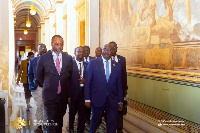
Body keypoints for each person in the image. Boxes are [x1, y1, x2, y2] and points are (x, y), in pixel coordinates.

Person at [36, 35, 73, 133]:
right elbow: (38, 76)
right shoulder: (44, 58)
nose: (59, 46)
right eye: (57, 44)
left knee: (59, 120)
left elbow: (69, 76)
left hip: (63, 96)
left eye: (61, 44)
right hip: (49, 95)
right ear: (52, 43)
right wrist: (47, 85)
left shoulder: (68, 58)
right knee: (51, 122)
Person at [84, 44, 123, 133]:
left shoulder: (117, 66)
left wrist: (120, 101)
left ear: (112, 52)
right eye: (104, 49)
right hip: (97, 99)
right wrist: (87, 99)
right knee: (95, 121)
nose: (106, 51)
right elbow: (88, 82)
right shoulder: (93, 63)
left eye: (109, 50)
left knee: (112, 123)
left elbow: (119, 85)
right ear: (102, 51)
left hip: (112, 100)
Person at [109, 41, 128, 133]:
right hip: (110, 89)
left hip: (119, 88)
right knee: (110, 107)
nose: (113, 49)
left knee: (120, 107)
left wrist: (125, 88)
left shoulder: (122, 59)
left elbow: (124, 74)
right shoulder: (105, 59)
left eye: (115, 47)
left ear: (116, 48)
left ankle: (119, 128)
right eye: (111, 47)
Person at [28, 43, 47, 133]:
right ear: (38, 50)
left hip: (48, 88)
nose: (43, 50)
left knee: (47, 106)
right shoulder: (33, 61)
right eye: (41, 48)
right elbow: (30, 74)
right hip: (38, 87)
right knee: (39, 105)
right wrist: (31, 86)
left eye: (44, 48)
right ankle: (39, 125)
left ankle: (46, 124)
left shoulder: (50, 60)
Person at [68, 46, 87, 133]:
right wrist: (68, 96)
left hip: (83, 94)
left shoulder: (87, 64)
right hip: (72, 94)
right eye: (78, 51)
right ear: (74, 53)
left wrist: (85, 81)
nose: (81, 53)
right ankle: (71, 127)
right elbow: (66, 81)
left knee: (82, 114)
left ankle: (80, 130)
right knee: (72, 113)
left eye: (82, 52)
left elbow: (91, 79)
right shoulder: (70, 64)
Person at [83, 45, 95, 124]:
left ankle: (87, 118)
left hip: (91, 86)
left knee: (90, 102)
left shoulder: (94, 60)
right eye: (85, 50)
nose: (86, 52)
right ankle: (83, 117)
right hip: (81, 87)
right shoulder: (77, 59)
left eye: (88, 50)